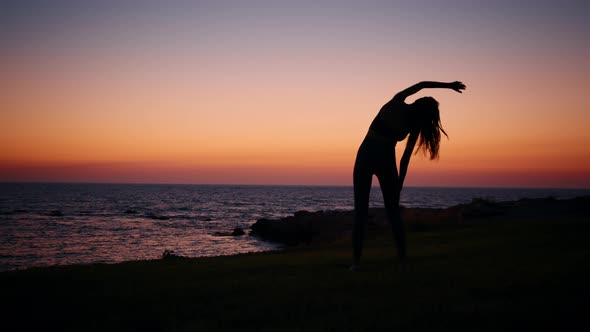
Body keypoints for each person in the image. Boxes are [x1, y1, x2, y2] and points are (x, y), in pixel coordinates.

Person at [351, 81, 466, 270]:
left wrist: (448, 86)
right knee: (391, 210)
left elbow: (421, 84)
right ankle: (401, 258)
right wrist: (399, 183)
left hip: (368, 153)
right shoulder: (412, 122)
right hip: (385, 157)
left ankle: (357, 262)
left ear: (418, 102)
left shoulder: (398, 101)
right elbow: (405, 159)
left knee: (362, 211)